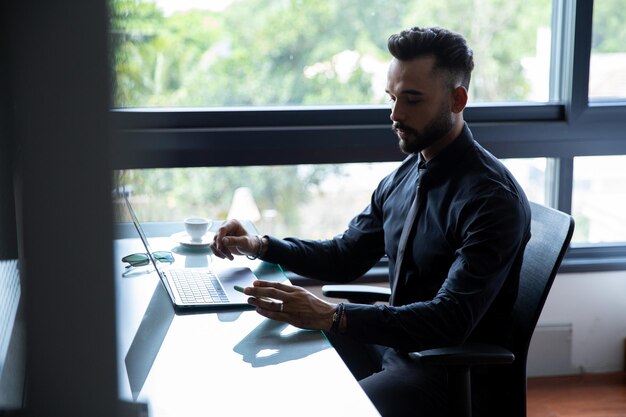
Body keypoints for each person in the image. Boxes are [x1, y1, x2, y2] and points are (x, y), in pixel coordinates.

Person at [211, 26, 531, 417]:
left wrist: (335, 315)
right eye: (392, 98)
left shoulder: (491, 200)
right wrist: (261, 245)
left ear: (457, 99)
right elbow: (345, 256)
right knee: (272, 363)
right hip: (396, 345)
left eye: (412, 100)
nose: (395, 115)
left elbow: (450, 320)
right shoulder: (405, 175)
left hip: (447, 370)